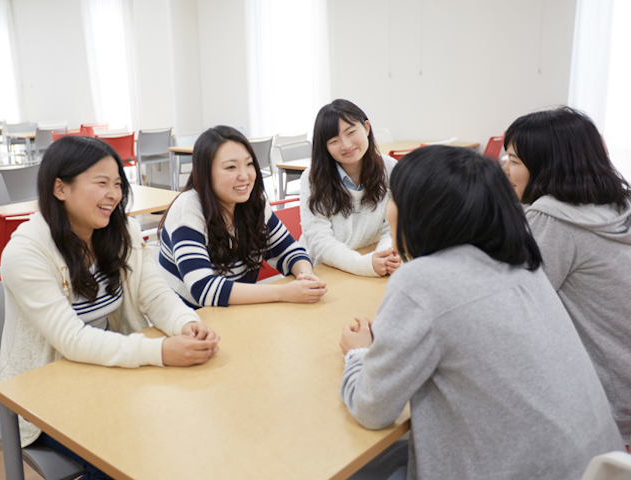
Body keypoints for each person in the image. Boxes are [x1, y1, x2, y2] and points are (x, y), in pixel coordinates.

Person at [339, 146, 624, 480]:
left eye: (393, 198)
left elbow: (373, 408)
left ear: (421, 212)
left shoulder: (422, 281)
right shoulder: (520, 261)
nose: (388, 211)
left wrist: (358, 354)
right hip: (594, 464)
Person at [0, 136, 220, 479]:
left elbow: (156, 294)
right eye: (101, 183)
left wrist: (185, 323)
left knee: (187, 428)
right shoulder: (25, 253)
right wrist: (161, 350)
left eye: (117, 183)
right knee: (128, 458)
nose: (114, 194)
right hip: (45, 394)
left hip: (109, 373)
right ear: (60, 188)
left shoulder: (122, 231)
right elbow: (71, 339)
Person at [503, 106, 631, 444]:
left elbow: (516, 308)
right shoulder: (617, 205)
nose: (505, 168)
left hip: (608, 408)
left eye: (514, 161)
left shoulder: (553, 219)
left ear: (547, 165)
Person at [159, 125, 327, 307]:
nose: (244, 176)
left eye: (249, 164)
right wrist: (283, 292)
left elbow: (289, 252)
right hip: (191, 319)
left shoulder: (254, 201)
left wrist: (305, 275)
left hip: (237, 312)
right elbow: (204, 289)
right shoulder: (188, 209)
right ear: (205, 173)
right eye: (231, 167)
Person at [300, 99, 400, 277]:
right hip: (323, 270)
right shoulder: (313, 178)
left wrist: (384, 256)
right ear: (325, 147)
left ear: (366, 128)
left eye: (351, 132)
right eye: (334, 140)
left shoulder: (390, 168)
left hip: (368, 260)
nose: (346, 145)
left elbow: (391, 226)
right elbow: (319, 240)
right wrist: (363, 264)